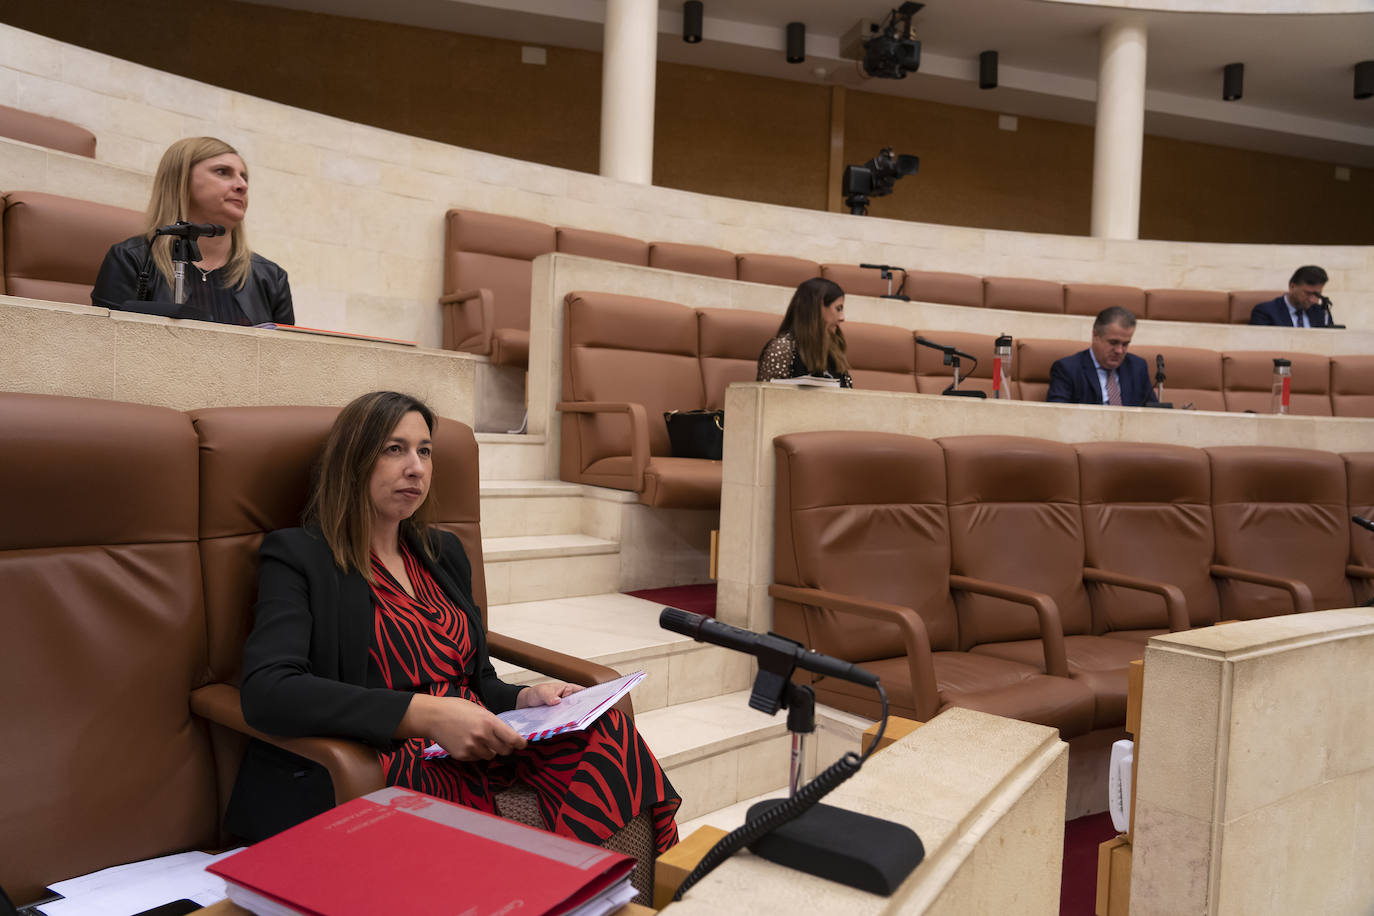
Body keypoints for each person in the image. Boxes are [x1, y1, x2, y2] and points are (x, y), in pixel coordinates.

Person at [228, 391, 680, 860]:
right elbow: (269, 689)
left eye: (424, 451)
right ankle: (553, 884)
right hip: (384, 754)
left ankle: (579, 887)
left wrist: (527, 698)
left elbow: (478, 679)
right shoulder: (300, 556)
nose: (417, 467)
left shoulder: (441, 553)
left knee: (611, 731)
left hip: (476, 741)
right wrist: (426, 714)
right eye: (394, 449)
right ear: (352, 460)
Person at [91, 136, 293, 326]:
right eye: (223, 172)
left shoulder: (271, 277)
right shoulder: (129, 259)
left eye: (244, 177)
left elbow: (286, 359)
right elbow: (108, 350)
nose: (242, 185)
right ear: (181, 181)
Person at [1047, 306, 1158, 407]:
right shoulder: (1067, 369)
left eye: (1125, 344)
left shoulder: (1137, 367)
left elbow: (1153, 412)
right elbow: (1058, 414)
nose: (1119, 350)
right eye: (1113, 342)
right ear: (1095, 335)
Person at [756, 277, 854, 387]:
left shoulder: (834, 349)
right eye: (838, 308)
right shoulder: (782, 348)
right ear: (817, 308)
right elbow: (767, 399)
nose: (842, 318)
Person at [1249, 266, 1334, 328]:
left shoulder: (1321, 312)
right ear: (1292, 286)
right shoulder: (1265, 312)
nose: (1313, 300)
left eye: (1317, 294)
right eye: (1308, 293)